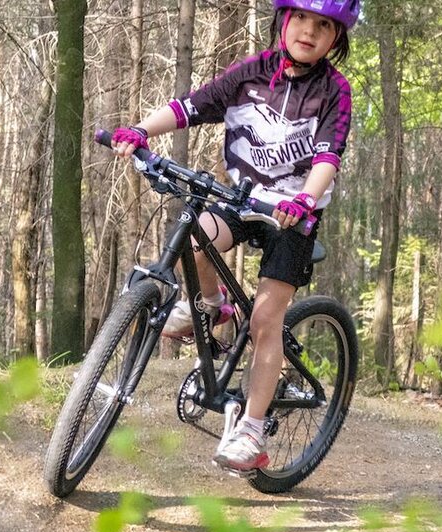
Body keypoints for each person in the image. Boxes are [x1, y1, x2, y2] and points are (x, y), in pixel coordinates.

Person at [110, 0, 358, 473]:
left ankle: (252, 427)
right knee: (194, 233)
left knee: (266, 320)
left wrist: (305, 198)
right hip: (243, 198)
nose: (309, 31)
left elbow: (329, 155)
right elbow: (191, 107)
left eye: (323, 25)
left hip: (292, 215)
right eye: (301, 18)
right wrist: (140, 131)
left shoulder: (334, 91)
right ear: (283, 20)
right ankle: (211, 304)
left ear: (336, 39)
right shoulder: (251, 71)